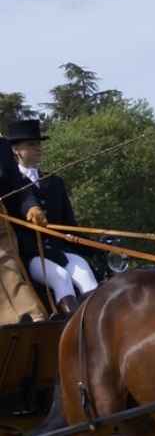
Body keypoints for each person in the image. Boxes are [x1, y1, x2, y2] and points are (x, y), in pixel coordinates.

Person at [7, 119, 97, 316]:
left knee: (85, 273)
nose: (38, 148)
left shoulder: (55, 182)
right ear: (16, 150)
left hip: (60, 249)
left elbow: (69, 223)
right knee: (61, 278)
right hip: (31, 255)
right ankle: (71, 328)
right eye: (31, 145)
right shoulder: (10, 186)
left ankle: (94, 324)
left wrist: (91, 245)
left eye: (39, 144)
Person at [0, 132, 48, 325]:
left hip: (2, 232)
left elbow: (17, 185)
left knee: (7, 265)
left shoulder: (1, 145)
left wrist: (31, 206)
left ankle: (34, 323)